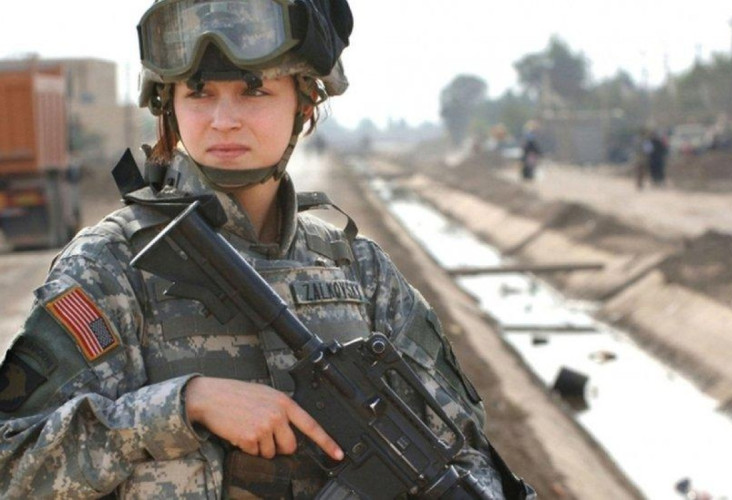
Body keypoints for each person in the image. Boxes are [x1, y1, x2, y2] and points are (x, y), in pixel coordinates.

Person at [0, 0, 534, 498]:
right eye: (199, 93)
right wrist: (182, 406)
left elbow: (466, 450)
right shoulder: (112, 266)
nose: (223, 119)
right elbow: (10, 462)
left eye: (253, 91)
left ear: (305, 103)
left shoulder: (362, 272)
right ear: (169, 105)